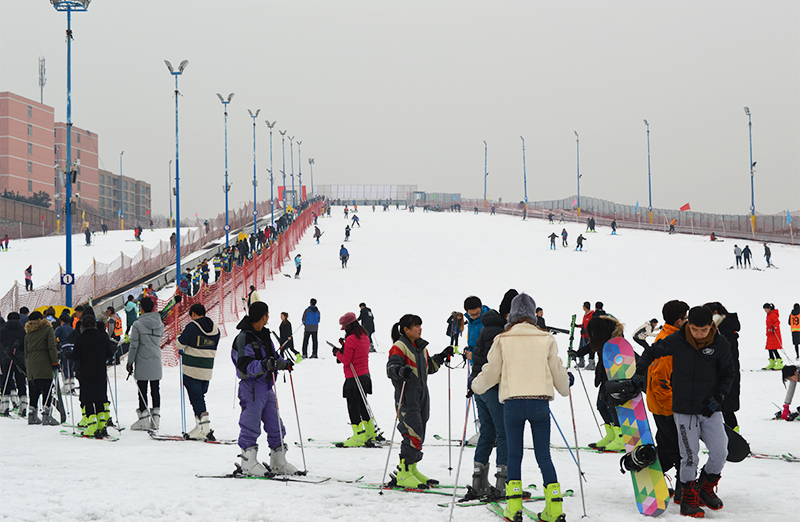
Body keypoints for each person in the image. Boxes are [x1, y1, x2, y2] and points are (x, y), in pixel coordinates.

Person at [471, 293, 571, 522]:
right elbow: (558, 372)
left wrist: (475, 385)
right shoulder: (546, 338)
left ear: (513, 314)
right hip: (540, 404)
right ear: (533, 314)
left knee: (514, 455)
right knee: (544, 456)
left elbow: (491, 372)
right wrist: (566, 385)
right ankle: (554, 509)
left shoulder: (503, 339)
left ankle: (513, 507)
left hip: (513, 404)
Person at [633, 306, 735, 518]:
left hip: (710, 408)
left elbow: (728, 373)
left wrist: (719, 398)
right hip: (684, 409)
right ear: (689, 325)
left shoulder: (720, 343)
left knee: (720, 451)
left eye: (704, 330)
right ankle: (688, 500)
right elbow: (652, 351)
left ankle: (705, 487)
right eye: (695, 329)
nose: (699, 334)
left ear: (711, 326)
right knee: (689, 456)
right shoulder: (678, 340)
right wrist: (640, 370)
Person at [386, 314, 453, 488]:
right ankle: (404, 473)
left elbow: (428, 367)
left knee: (420, 433)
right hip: (407, 397)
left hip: (422, 396)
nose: (420, 328)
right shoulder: (399, 347)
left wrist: (442, 356)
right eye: (416, 326)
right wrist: (401, 371)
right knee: (412, 433)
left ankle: (412, 470)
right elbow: (391, 369)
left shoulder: (421, 347)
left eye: (420, 325)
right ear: (406, 330)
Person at [232, 301, 297, 476]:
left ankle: (278, 460)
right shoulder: (243, 338)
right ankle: (248, 461)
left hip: (266, 386)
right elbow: (244, 366)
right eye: (267, 315)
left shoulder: (265, 335)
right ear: (264, 316)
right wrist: (265, 364)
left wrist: (283, 364)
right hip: (251, 386)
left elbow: (273, 357)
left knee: (275, 423)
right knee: (251, 422)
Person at [464, 290, 516, 501]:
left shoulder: (487, 326)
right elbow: (495, 363)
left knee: (487, 432)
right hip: (491, 387)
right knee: (503, 433)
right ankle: (501, 484)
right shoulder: (499, 331)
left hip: (479, 386)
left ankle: (479, 481)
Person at [644, 299, 689, 496]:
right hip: (666, 408)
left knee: (666, 448)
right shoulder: (668, 343)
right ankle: (681, 490)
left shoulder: (675, 337)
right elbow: (659, 381)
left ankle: (652, 482)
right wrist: (673, 410)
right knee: (679, 451)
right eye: (686, 318)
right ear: (679, 321)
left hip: (667, 405)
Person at [569, 314, 625, 451]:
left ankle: (621, 438)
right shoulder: (601, 335)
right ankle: (611, 434)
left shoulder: (615, 338)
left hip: (615, 376)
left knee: (611, 405)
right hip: (604, 375)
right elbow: (591, 345)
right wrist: (578, 353)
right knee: (601, 405)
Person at [176, 303, 221, 440]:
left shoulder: (192, 326)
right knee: (200, 397)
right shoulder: (215, 329)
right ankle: (199, 427)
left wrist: (181, 336)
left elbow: (180, 344)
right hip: (207, 369)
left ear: (193, 314)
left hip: (192, 368)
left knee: (196, 398)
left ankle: (205, 429)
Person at [67, 309, 114, 438]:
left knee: (88, 399)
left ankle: (91, 426)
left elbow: (76, 356)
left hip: (86, 372)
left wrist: (67, 355)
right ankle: (101, 425)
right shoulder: (102, 336)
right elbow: (110, 354)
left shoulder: (81, 338)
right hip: (100, 371)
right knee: (99, 398)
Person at [332, 312, 374, 446]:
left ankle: (358, 436)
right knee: (363, 405)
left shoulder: (351, 339)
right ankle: (369, 432)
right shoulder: (365, 337)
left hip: (353, 377)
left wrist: (337, 352)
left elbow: (346, 360)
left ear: (349, 326)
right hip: (365, 375)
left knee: (353, 407)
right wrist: (344, 347)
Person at [126, 297, 165, 431]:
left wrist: (130, 362)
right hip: (156, 359)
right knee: (155, 389)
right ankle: (156, 420)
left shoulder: (137, 324)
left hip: (142, 360)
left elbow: (134, 345)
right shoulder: (160, 323)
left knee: (142, 389)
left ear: (141, 308)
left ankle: (143, 419)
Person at [705, 302, 741, 431]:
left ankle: (733, 435)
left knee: (726, 407)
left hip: (728, 372)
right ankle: (725, 434)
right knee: (720, 407)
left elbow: (728, 348)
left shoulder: (725, 327)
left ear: (715, 313)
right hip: (719, 372)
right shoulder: (721, 326)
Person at [23, 311, 59, 425]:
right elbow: (52, 346)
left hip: (31, 364)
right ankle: (46, 415)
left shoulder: (28, 334)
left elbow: (25, 352)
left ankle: (31, 415)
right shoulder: (48, 330)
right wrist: (55, 361)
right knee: (46, 388)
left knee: (34, 389)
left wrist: (27, 366)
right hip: (44, 361)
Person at [0, 312, 27, 416]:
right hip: (20, 359)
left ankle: (4, 406)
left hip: (6, 358)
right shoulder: (23, 331)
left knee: (6, 381)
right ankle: (23, 406)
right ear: (19, 319)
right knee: (21, 381)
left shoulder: (2, 330)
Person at [763, 303, 783, 370]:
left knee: (774, 349)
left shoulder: (773, 314)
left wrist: (774, 328)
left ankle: (780, 363)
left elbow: (777, 322)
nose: (765, 310)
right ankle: (772, 363)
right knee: (770, 349)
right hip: (770, 334)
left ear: (769, 308)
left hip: (774, 334)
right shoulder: (769, 315)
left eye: (766, 309)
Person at [575, 302, 594, 370]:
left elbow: (591, 326)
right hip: (583, 336)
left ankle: (591, 363)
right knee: (581, 348)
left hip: (589, 336)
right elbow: (584, 325)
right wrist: (577, 326)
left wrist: (586, 330)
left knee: (590, 349)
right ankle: (581, 362)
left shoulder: (592, 314)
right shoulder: (585, 315)